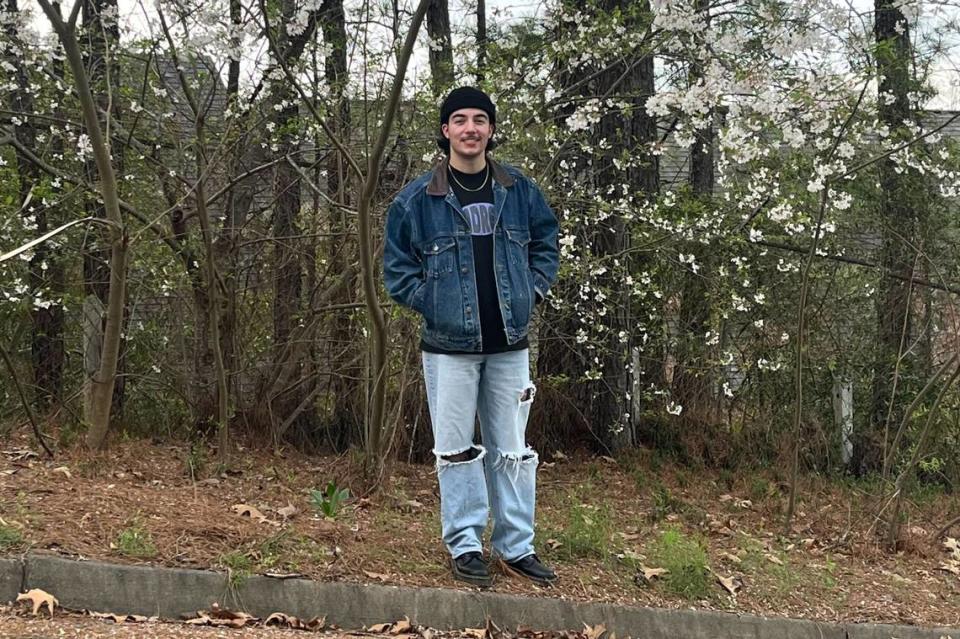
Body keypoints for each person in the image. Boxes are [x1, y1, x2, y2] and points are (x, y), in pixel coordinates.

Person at [383, 86, 560, 587]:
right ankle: (465, 545)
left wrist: (531, 292)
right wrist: (436, 305)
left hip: (510, 345)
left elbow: (546, 246)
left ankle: (515, 546)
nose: (469, 129)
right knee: (455, 450)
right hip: (449, 349)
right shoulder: (416, 199)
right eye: (459, 119)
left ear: (490, 129)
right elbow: (397, 271)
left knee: (513, 450)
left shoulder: (520, 192)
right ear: (445, 131)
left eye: (479, 119)